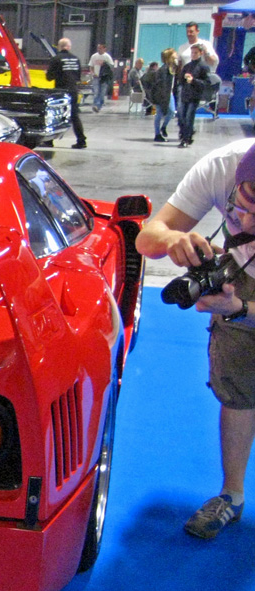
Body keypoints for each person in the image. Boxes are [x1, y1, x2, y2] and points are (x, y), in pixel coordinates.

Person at [135, 139, 255, 539]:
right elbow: (147, 238)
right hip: (243, 273)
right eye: (242, 205)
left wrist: (240, 309)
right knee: (236, 385)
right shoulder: (222, 166)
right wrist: (173, 240)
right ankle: (232, 496)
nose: (246, 223)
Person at [45, 38, 86, 149]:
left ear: (59, 47)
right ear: (69, 47)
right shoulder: (76, 59)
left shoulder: (56, 59)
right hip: (73, 90)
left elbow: (49, 77)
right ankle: (81, 140)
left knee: (56, 115)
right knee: (74, 116)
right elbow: (78, 77)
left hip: (60, 91)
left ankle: (49, 141)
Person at [176, 43, 209, 148]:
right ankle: (186, 134)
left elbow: (206, 83)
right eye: (192, 53)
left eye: (195, 53)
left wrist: (193, 80)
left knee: (189, 118)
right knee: (181, 117)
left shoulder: (203, 67)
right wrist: (183, 78)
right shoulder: (187, 66)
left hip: (194, 96)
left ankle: (186, 138)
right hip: (185, 94)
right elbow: (180, 80)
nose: (193, 55)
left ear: (201, 53)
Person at [147, 48, 178, 142]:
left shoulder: (172, 68)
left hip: (169, 93)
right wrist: (164, 98)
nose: (176, 55)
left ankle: (163, 127)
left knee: (171, 111)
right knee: (159, 114)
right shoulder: (164, 69)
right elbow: (163, 84)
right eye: (174, 54)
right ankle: (157, 134)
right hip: (162, 94)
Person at [88, 44, 114, 112]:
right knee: (96, 92)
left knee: (102, 93)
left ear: (104, 49)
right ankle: (95, 105)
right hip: (96, 77)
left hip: (104, 77)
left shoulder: (107, 57)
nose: (99, 50)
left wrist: (105, 64)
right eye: (98, 48)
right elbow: (91, 66)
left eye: (100, 48)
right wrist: (92, 73)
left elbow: (111, 67)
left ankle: (99, 106)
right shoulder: (94, 56)